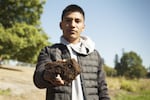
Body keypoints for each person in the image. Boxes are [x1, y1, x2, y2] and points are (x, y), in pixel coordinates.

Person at [33, 4, 110, 100]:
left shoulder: (94, 54)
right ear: (61, 25)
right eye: (68, 20)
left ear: (83, 26)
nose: (73, 25)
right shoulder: (48, 51)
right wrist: (49, 74)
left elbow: (103, 90)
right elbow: (38, 79)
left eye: (77, 21)